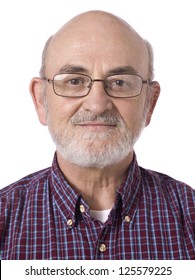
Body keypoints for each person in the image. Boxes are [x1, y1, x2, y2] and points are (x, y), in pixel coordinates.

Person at [0, 10, 194, 260]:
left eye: (120, 82)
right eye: (73, 81)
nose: (97, 104)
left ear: (150, 103)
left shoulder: (189, 215)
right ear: (40, 99)